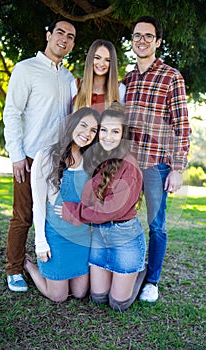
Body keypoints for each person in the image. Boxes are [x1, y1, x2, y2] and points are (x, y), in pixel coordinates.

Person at [3, 18, 76, 292]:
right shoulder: (26, 69)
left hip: (58, 161)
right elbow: (11, 113)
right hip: (30, 157)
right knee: (23, 215)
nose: (64, 39)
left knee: (55, 214)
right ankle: (14, 269)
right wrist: (17, 155)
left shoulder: (68, 77)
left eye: (70, 36)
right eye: (60, 32)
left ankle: (51, 262)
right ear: (48, 35)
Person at [122, 16, 191, 302]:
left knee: (157, 225)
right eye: (137, 35)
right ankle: (128, 270)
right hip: (127, 165)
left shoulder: (171, 77)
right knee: (124, 218)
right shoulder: (127, 79)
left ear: (158, 41)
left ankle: (152, 280)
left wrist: (178, 168)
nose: (141, 40)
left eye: (148, 36)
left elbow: (182, 125)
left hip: (156, 165)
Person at [55, 102, 147, 311]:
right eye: (103, 130)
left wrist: (74, 211)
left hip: (125, 237)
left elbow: (111, 210)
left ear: (123, 135)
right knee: (97, 298)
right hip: (99, 234)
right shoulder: (100, 159)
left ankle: (140, 271)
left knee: (118, 304)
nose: (108, 136)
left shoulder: (129, 165)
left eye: (115, 131)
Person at [23, 107, 100, 302]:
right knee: (58, 296)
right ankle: (28, 266)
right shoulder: (47, 155)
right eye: (83, 126)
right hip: (55, 235)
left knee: (80, 292)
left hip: (80, 235)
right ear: (72, 125)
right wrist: (40, 241)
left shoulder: (91, 160)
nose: (88, 133)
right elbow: (38, 204)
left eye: (93, 130)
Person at [72, 39, 125, 114]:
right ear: (90, 58)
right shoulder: (76, 85)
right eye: (97, 58)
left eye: (107, 60)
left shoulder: (120, 89)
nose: (101, 63)